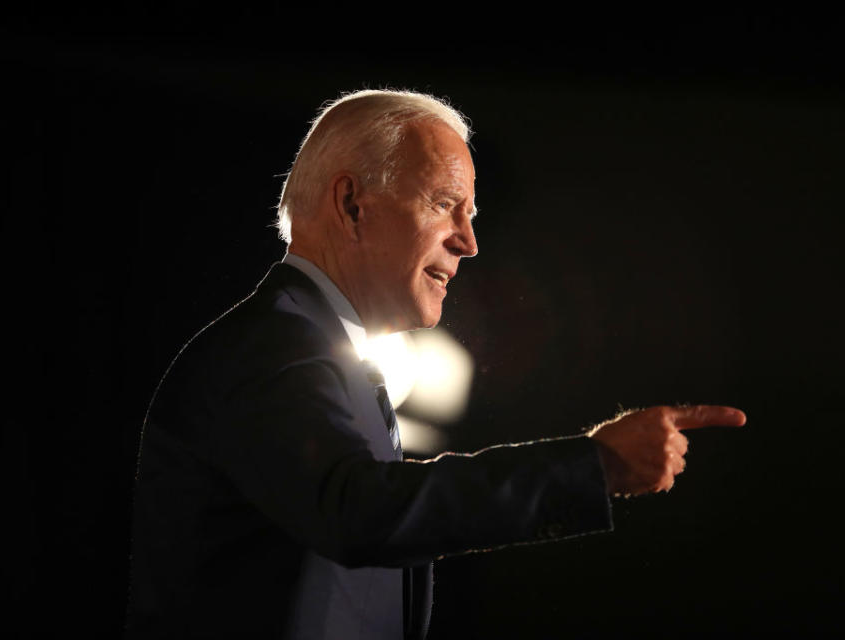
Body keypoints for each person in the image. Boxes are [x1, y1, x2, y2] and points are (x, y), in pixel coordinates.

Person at [125, 89, 746, 639]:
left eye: (470, 215)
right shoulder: (271, 348)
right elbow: (360, 511)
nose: (468, 242)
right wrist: (592, 468)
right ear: (353, 205)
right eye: (446, 203)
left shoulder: (308, 345)